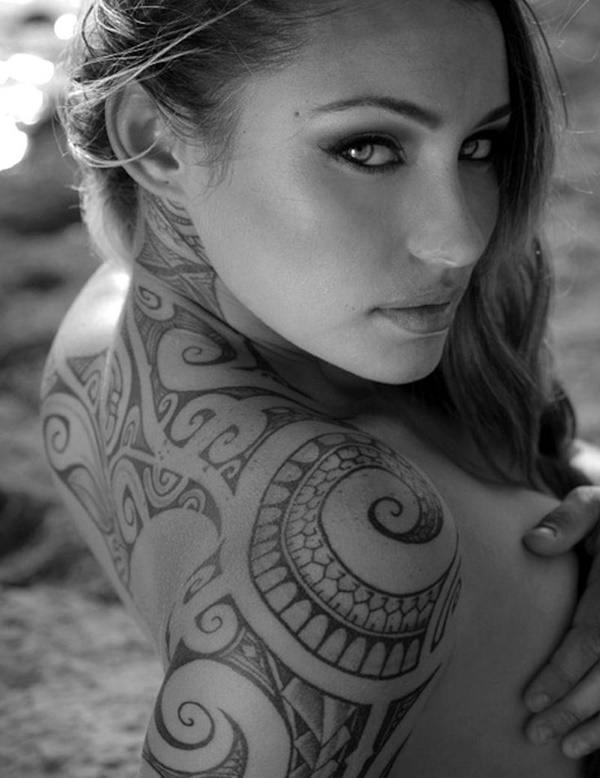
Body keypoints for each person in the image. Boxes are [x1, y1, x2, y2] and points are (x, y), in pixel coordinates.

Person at [40, 0, 600, 775]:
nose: (461, 240)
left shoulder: (100, 330)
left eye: (479, 146)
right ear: (157, 141)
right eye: (368, 149)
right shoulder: (347, 536)